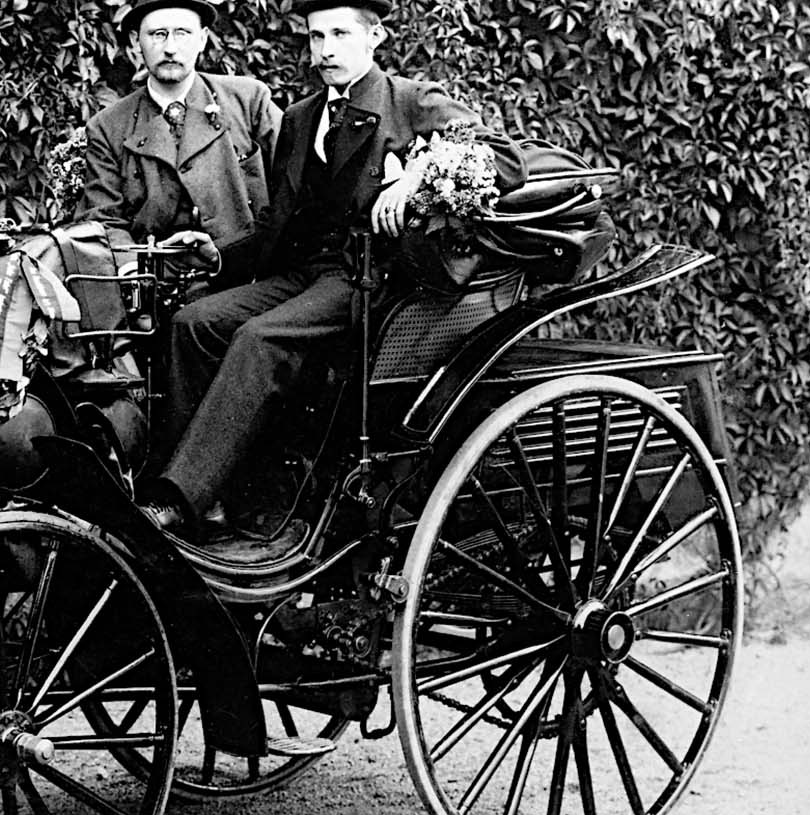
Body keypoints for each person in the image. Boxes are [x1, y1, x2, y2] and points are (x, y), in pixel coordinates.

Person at [141, 0, 527, 533]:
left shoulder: (410, 100)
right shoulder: (301, 118)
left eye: (340, 34)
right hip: (306, 272)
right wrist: (221, 256)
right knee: (195, 323)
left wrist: (417, 175)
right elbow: (279, 221)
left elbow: (504, 159)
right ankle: (214, 496)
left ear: (375, 37)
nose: (325, 50)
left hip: (374, 280)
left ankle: (179, 500)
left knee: (260, 338)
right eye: (316, 37)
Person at [76, 0, 282, 287]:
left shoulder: (249, 101)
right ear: (136, 41)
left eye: (182, 33)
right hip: (154, 282)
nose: (170, 47)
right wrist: (134, 272)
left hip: (248, 276)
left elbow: (295, 189)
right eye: (157, 34)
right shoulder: (108, 126)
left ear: (203, 39)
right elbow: (102, 219)